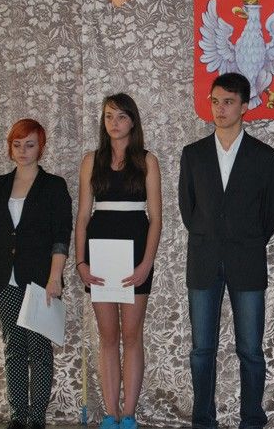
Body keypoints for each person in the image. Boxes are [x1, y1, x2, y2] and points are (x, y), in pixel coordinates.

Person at [178, 72, 274, 429]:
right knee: (201, 350)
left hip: (247, 260)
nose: (220, 109)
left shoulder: (264, 156)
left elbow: (272, 212)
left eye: (228, 102)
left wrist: (247, 239)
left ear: (244, 106)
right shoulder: (193, 155)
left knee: (250, 350)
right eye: (215, 101)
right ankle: (203, 420)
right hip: (203, 260)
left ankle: (252, 419)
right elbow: (188, 209)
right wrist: (212, 235)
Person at [0, 119, 72, 429]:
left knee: (39, 348)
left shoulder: (54, 186)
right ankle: (18, 416)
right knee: (13, 346)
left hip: (41, 279)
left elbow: (61, 236)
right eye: (16, 145)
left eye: (29, 144)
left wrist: (55, 277)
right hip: (3, 278)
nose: (22, 150)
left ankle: (37, 417)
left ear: (40, 147)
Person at [75, 93, 162, 429]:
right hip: (99, 256)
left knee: (132, 335)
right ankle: (110, 415)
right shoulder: (91, 160)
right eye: (109, 116)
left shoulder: (148, 161)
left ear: (133, 121)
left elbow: (156, 218)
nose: (114, 122)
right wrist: (81, 262)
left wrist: (146, 264)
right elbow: (83, 216)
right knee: (108, 336)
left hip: (137, 254)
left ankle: (129, 415)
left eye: (122, 116)